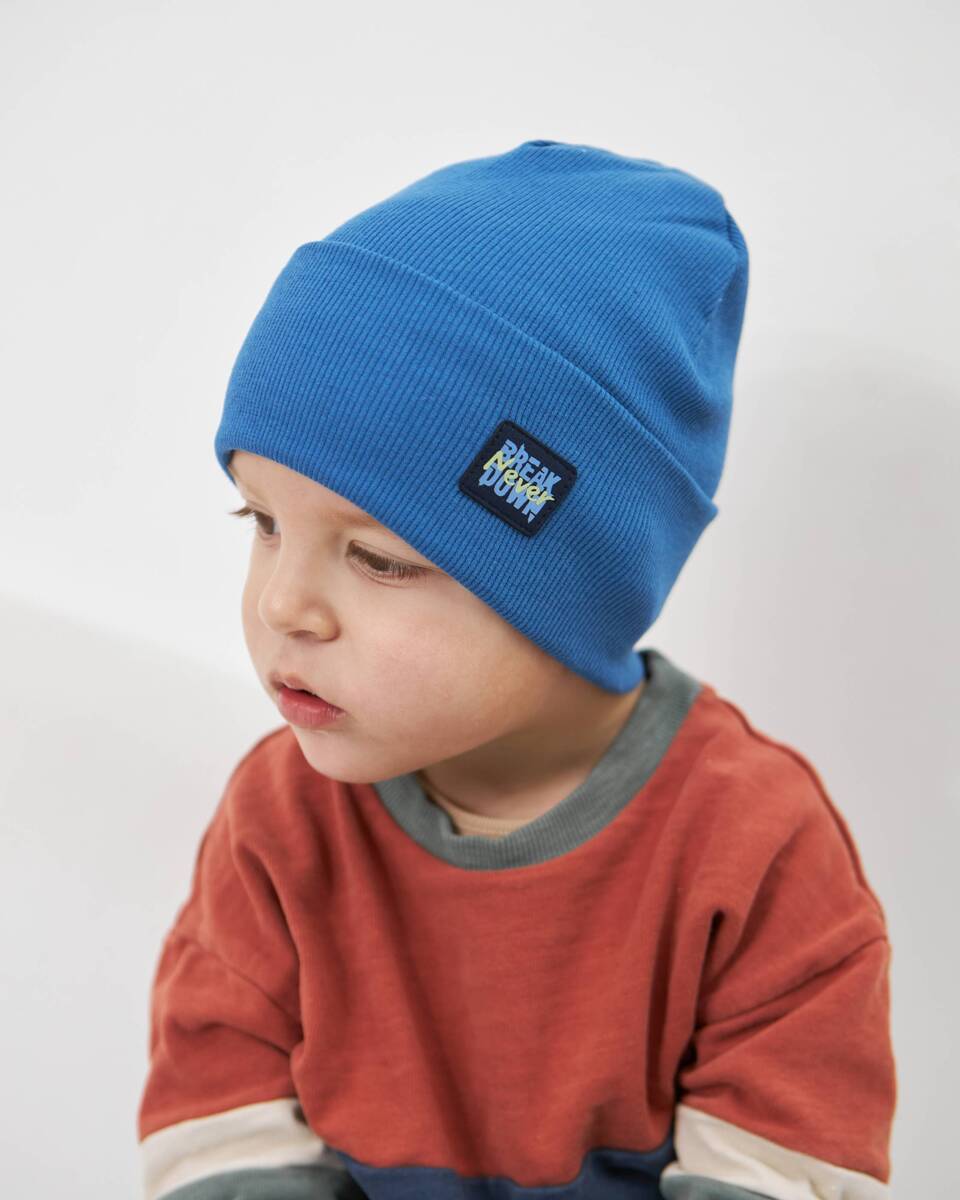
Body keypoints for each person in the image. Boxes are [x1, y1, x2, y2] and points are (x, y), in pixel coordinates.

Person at [135, 139, 896, 1200]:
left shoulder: (754, 850)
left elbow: (778, 1171)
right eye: (261, 521)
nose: (281, 606)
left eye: (379, 558)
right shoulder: (280, 823)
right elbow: (224, 1145)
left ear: (579, 590)